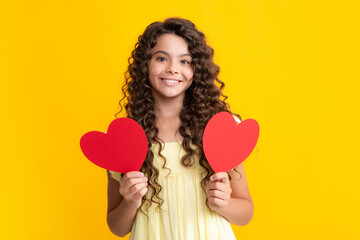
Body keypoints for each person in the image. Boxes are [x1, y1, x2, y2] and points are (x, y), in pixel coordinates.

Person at [106, 17, 254, 239]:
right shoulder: (126, 137)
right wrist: (130, 202)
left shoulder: (218, 128)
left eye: (184, 61)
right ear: (145, 64)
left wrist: (224, 203)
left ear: (197, 70)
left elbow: (245, 213)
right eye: (162, 58)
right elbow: (117, 227)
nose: (173, 69)